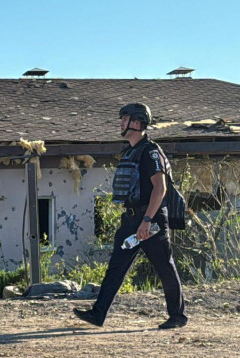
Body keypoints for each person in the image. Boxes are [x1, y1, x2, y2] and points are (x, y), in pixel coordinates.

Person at [74, 103, 188, 330]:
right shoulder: (131, 151)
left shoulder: (151, 152)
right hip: (131, 218)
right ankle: (98, 314)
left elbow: (160, 189)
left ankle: (177, 316)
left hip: (151, 218)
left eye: (124, 119)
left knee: (164, 266)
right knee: (116, 265)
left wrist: (147, 221)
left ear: (136, 122)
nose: (120, 123)